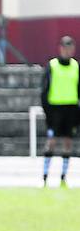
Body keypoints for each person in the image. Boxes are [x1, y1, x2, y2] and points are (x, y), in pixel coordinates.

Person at [40, 35, 80, 187]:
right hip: (54, 111)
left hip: (71, 110)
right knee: (51, 142)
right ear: (60, 48)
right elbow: (44, 90)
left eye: (70, 48)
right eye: (65, 48)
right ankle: (45, 176)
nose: (68, 51)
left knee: (68, 143)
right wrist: (47, 112)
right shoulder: (52, 65)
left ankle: (63, 177)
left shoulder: (76, 66)